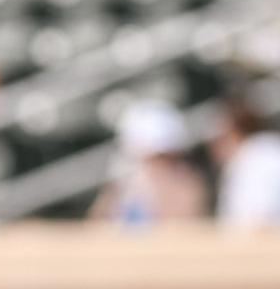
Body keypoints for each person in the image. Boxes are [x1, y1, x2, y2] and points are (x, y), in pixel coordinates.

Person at [88, 100, 208, 229]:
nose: (157, 165)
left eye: (162, 158)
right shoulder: (124, 181)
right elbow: (96, 225)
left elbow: (183, 227)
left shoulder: (187, 185)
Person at [211, 96, 280, 231]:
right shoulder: (266, 151)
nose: (213, 147)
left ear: (233, 133)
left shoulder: (253, 160)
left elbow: (256, 220)